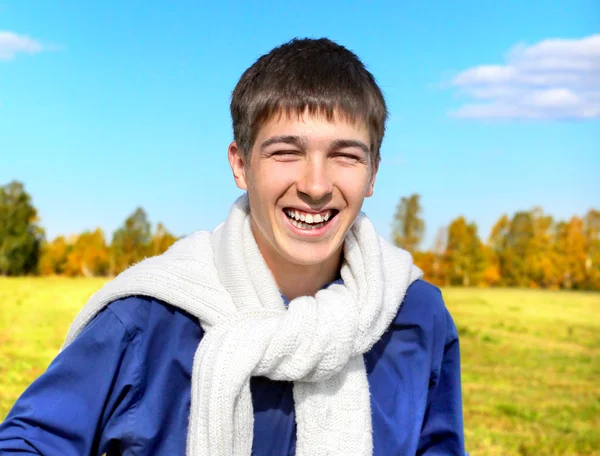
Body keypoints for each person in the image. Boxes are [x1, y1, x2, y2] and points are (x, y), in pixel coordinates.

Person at [0, 37, 466, 455]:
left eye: (345, 155)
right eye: (286, 152)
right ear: (240, 165)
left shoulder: (416, 316)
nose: (316, 185)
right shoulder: (147, 318)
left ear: (373, 173)